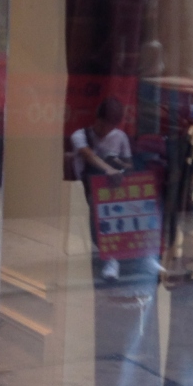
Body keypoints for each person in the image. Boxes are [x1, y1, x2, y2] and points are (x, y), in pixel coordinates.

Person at [71, 97, 133, 279]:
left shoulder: (120, 137)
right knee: (98, 210)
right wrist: (108, 168)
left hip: (113, 189)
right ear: (97, 119)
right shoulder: (80, 135)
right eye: (105, 124)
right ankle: (109, 258)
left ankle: (120, 256)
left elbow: (129, 165)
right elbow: (88, 155)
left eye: (111, 126)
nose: (107, 130)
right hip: (86, 189)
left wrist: (117, 163)